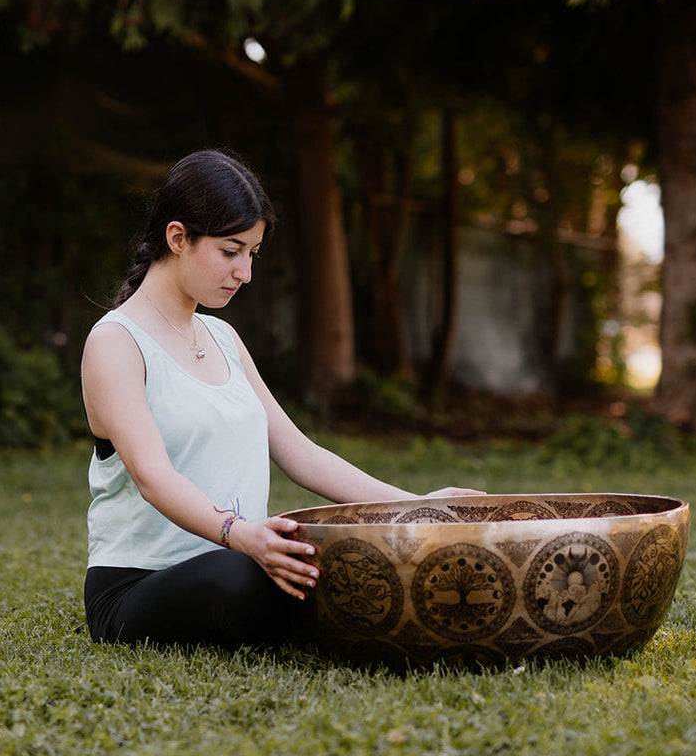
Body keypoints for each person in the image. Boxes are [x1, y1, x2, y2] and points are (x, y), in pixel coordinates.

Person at [81, 149, 480, 649]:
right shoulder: (116, 342)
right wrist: (243, 535)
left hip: (237, 560)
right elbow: (152, 476)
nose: (244, 272)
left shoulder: (222, 337)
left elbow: (299, 452)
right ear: (178, 237)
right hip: (139, 585)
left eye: (252, 253)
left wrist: (413, 508)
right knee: (247, 578)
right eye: (231, 251)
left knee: (324, 560)